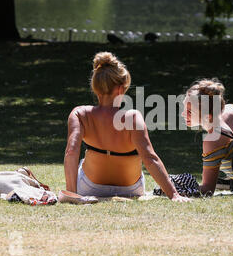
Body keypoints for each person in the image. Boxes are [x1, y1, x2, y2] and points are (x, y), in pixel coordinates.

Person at [64, 52, 190, 202]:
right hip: (130, 188)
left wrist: (72, 194)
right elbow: (150, 158)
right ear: (120, 90)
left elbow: (71, 151)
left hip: (90, 187)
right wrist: (174, 195)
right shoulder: (132, 117)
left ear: (95, 88)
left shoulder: (80, 114)